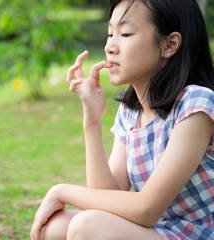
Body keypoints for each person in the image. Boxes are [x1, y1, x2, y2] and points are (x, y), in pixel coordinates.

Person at [30, 0, 214, 239]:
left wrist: (60, 191)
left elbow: (145, 209)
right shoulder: (131, 112)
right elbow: (106, 197)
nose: (110, 47)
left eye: (125, 34)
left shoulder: (196, 104)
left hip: (198, 233)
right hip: (159, 229)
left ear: (169, 45)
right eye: (110, 33)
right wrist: (92, 121)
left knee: (87, 226)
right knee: (52, 227)